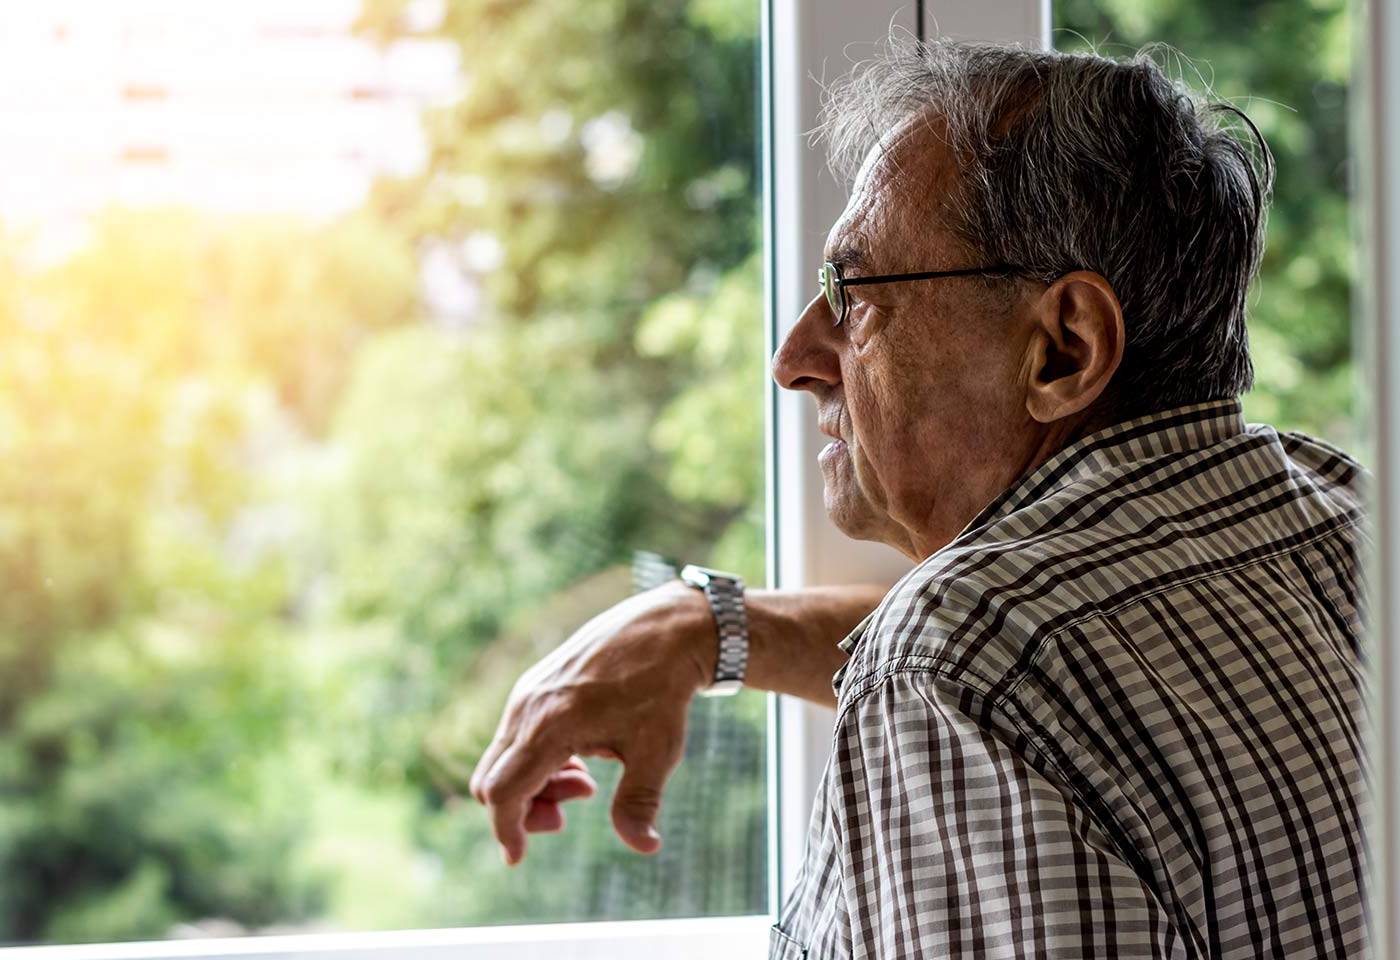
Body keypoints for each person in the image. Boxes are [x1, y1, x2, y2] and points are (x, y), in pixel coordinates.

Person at [469, 39, 1368, 958]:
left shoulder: (957, 658)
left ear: (1065, 346)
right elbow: (1079, 665)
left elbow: (995, 659)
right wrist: (709, 630)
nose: (793, 358)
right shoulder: (1337, 510)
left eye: (850, 293)